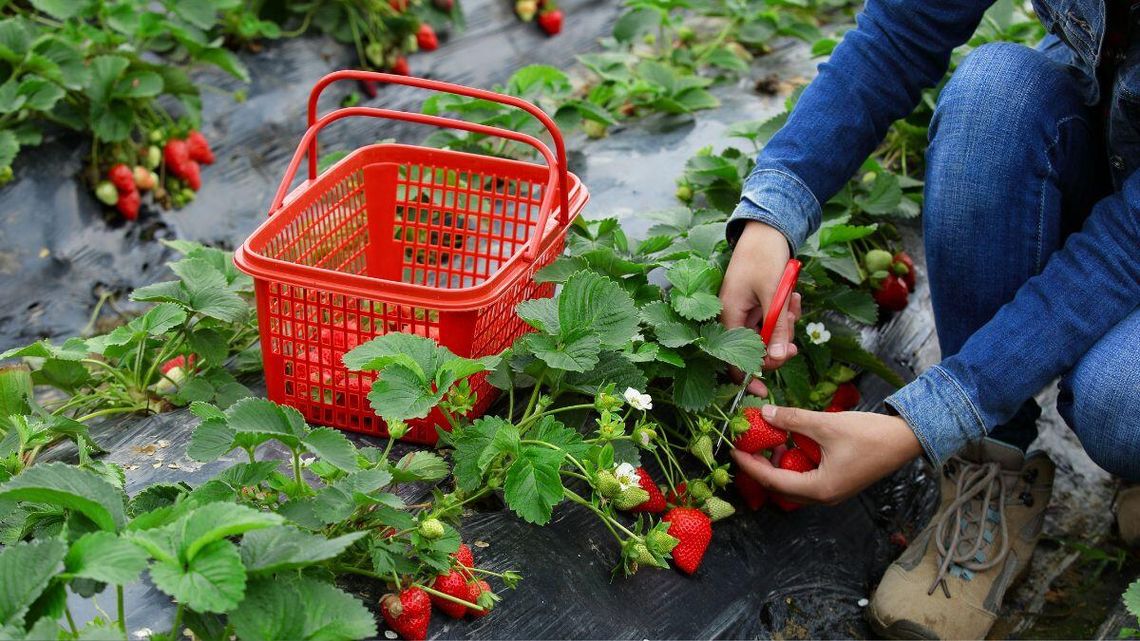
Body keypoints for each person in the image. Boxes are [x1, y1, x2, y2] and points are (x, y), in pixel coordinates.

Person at [721, 0, 1140, 638]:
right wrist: (772, 214)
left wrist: (922, 421)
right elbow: (899, 32)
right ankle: (990, 468)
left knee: (1120, 400)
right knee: (992, 98)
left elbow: (1122, 251)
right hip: (1111, 122)